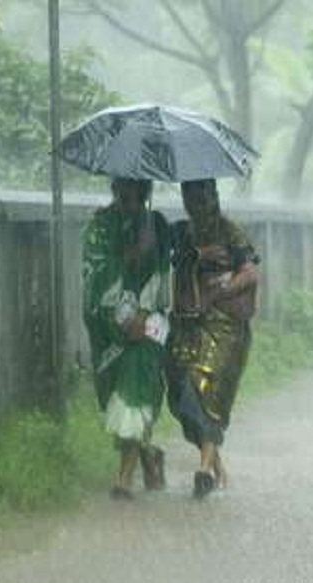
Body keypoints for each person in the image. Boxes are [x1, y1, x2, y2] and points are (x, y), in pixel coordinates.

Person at [167, 178, 260, 499]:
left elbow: (250, 272)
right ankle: (217, 469)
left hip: (224, 327)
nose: (199, 203)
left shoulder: (230, 231)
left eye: (204, 195)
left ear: (215, 195)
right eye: (191, 196)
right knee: (183, 397)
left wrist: (222, 289)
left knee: (208, 391)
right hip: (187, 325)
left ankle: (204, 470)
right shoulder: (181, 233)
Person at [82, 177, 171, 500]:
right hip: (108, 329)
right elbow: (92, 273)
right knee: (113, 400)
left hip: (148, 324)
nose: (127, 194)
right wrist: (129, 256)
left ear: (144, 189)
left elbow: (163, 275)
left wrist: (144, 314)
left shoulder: (157, 224)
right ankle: (150, 454)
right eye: (122, 188)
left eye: (134, 188)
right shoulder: (99, 226)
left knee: (134, 393)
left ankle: (124, 479)